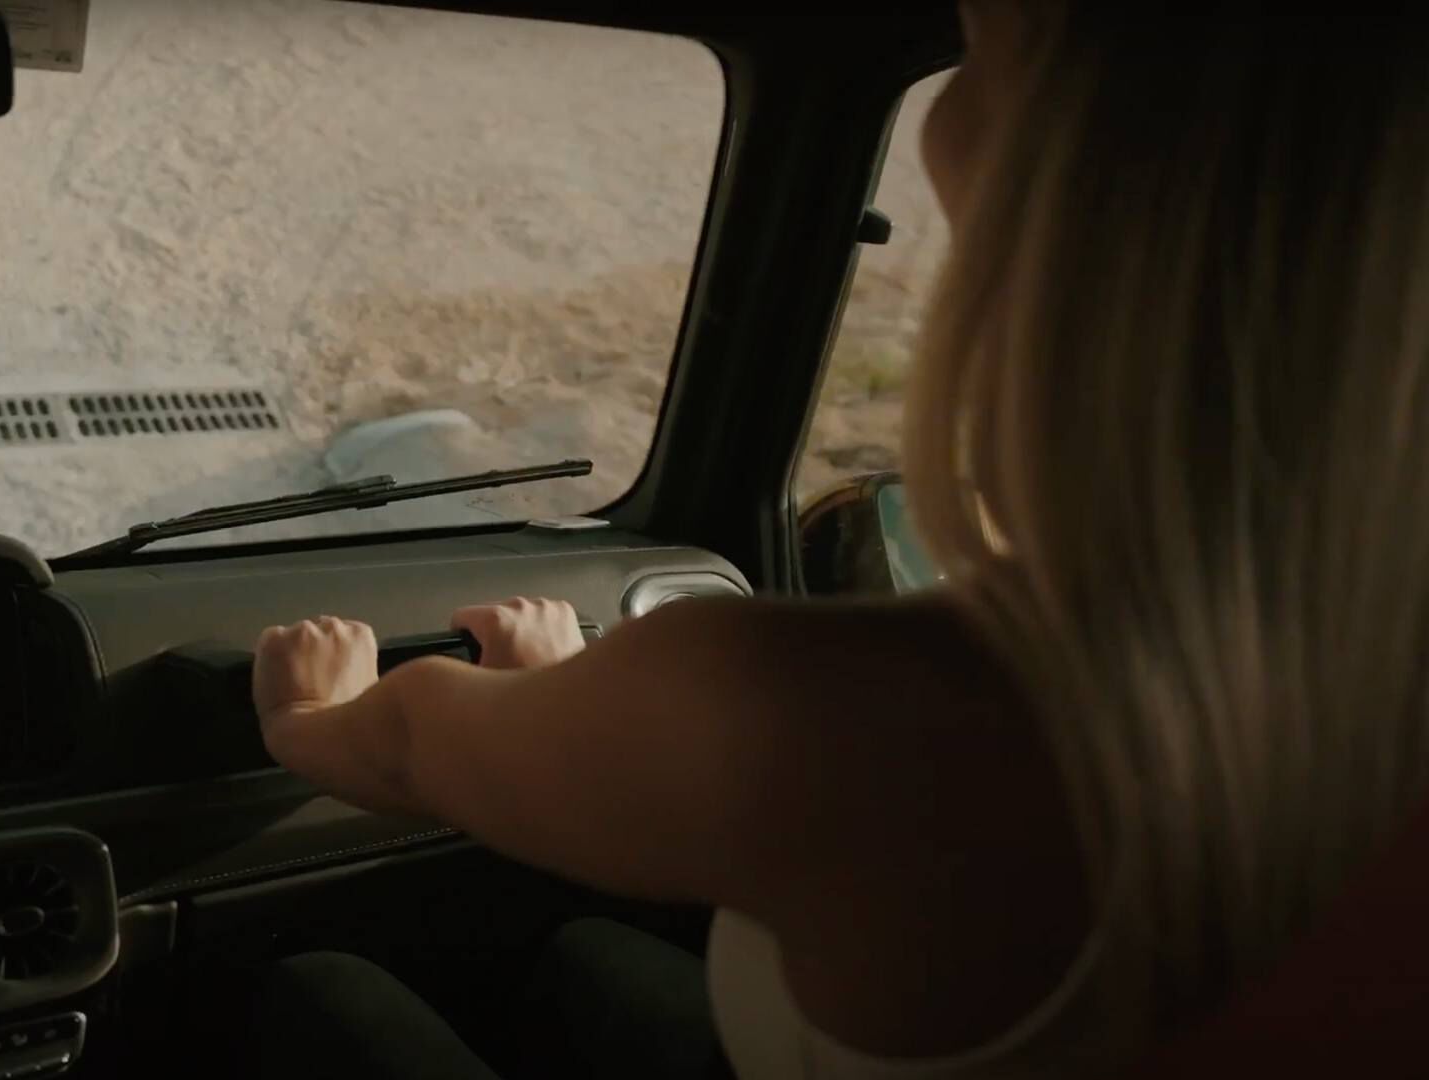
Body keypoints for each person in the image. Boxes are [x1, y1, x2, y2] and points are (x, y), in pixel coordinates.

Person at [252, 4, 1429, 1077]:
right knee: (583, 960)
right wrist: (566, 696)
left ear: (1079, 236)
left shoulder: (836, 717)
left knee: (320, 995)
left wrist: (310, 719)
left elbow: (409, 742)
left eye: (982, 62)